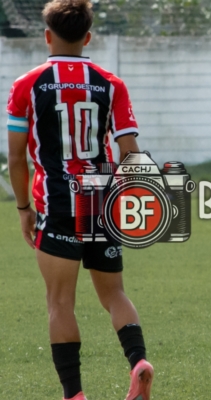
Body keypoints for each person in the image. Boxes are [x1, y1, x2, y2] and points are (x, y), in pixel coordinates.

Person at [6, 1, 153, 399]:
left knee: (59, 302)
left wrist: (23, 208)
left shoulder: (26, 85)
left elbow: (16, 158)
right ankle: (138, 361)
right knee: (114, 294)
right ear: (88, 37)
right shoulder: (111, 84)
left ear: (47, 36)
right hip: (99, 199)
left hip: (56, 203)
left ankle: (75, 395)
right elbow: (130, 151)